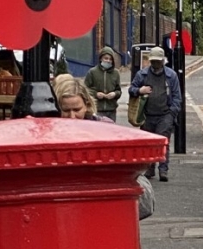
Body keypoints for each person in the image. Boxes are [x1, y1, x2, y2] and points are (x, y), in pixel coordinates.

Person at [54, 78, 154, 219]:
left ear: (87, 105)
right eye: (65, 110)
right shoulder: (51, 136)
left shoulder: (106, 129)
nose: (72, 116)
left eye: (77, 110)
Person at [128, 46, 181, 182]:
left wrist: (171, 113)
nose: (155, 64)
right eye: (153, 61)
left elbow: (177, 97)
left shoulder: (171, 75)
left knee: (163, 142)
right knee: (149, 144)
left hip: (165, 114)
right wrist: (140, 90)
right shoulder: (142, 74)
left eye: (158, 61)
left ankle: (163, 170)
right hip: (147, 115)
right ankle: (150, 169)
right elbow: (131, 89)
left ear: (163, 61)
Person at [84, 47, 122, 123]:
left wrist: (114, 94)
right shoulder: (92, 72)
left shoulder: (116, 73)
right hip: (97, 109)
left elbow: (119, 91)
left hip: (111, 110)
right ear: (101, 58)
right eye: (106, 58)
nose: (108, 61)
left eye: (110, 59)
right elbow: (85, 89)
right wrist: (96, 94)